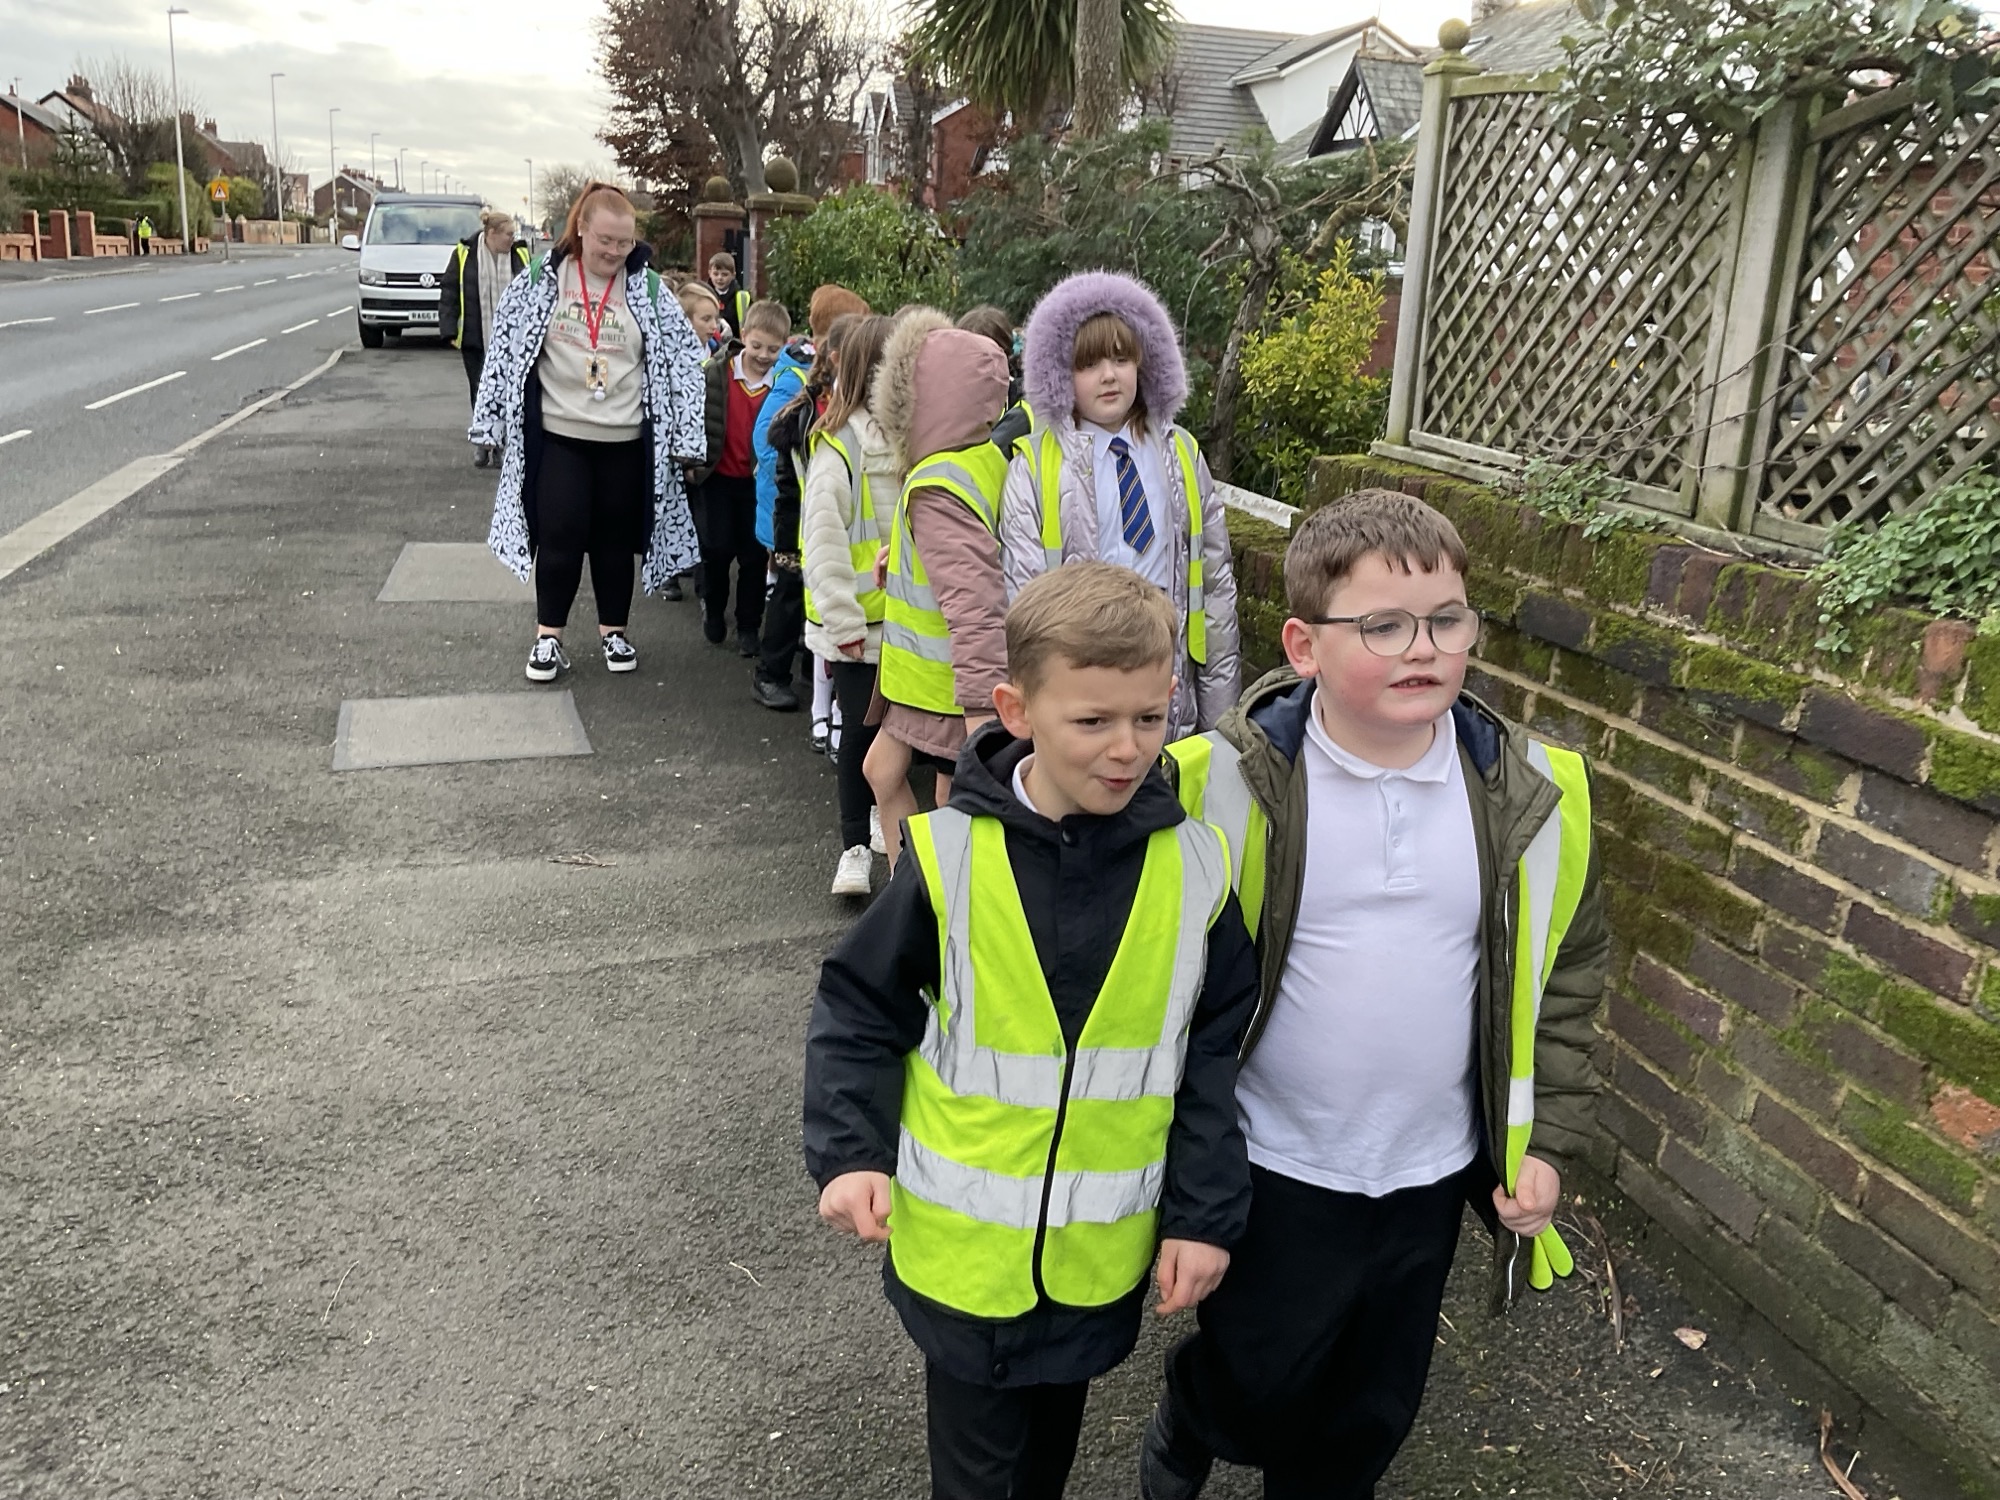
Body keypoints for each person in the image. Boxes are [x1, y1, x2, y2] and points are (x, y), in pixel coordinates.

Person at [1141, 490, 1608, 1500]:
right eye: (1383, 625)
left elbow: (1565, 981)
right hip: (1274, 1159)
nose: (1423, 648)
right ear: (1303, 645)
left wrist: (1545, 1144)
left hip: (1426, 1170)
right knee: (1258, 1378)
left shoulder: (1534, 795)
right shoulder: (1214, 784)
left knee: (1370, 1405)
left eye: (1447, 620)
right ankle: (1194, 1411)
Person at [805, 561, 1261, 1500]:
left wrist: (1203, 1215)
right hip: (963, 1267)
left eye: (1149, 717)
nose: (1127, 748)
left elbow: (1212, 1057)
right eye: (1092, 722)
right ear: (1017, 710)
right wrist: (851, 1152)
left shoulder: (1197, 868)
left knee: (1043, 1467)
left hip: (1094, 1266)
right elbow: (859, 1011)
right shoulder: (949, 857)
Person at [473, 181, 706, 683]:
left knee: (615, 541)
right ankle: (548, 637)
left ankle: (614, 632)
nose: (615, 252)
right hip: (560, 435)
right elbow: (504, 347)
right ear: (581, 228)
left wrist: (688, 439)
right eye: (605, 240)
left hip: (625, 439)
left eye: (624, 242)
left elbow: (687, 360)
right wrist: (489, 421)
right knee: (560, 534)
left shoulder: (648, 289)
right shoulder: (541, 280)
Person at [1000, 271, 1241, 745]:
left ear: (1144, 362)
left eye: (1121, 358)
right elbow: (1025, 595)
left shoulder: (1181, 454)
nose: (1109, 375)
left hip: (1169, 684)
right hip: (1085, 689)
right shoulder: (1034, 467)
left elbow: (1215, 585)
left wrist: (1220, 720)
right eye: (1088, 364)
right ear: (1060, 374)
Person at [863, 310, 1011, 870]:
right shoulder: (977, 459)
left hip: (946, 686)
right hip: (935, 683)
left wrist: (982, 714)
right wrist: (901, 556)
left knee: (940, 799)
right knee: (889, 775)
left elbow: (974, 608)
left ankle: (925, 898)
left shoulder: (936, 485)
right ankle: (923, 892)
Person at [799, 313, 898, 893]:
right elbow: (823, 542)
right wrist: (843, 621)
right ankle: (853, 846)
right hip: (859, 628)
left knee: (895, 735)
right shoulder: (839, 447)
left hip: (906, 626)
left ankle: (880, 817)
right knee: (860, 734)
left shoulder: (916, 438)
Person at [755, 285, 872, 713]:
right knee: (789, 597)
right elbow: (768, 444)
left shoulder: (840, 393)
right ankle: (770, 673)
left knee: (816, 599)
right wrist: (797, 479)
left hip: (823, 516)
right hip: (795, 516)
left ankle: (810, 669)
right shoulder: (800, 394)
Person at [687, 297, 789, 655]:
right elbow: (696, 418)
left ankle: (748, 625)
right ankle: (714, 609)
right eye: (757, 345)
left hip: (759, 484)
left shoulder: (784, 384)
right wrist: (690, 461)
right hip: (717, 476)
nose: (763, 355)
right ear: (743, 335)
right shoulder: (716, 372)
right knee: (715, 550)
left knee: (754, 556)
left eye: (773, 349)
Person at [441, 209, 532, 468]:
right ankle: (483, 443)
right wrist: (448, 329)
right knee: (480, 391)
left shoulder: (519, 254)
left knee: (509, 393)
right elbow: (449, 290)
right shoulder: (464, 253)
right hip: (475, 336)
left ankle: (502, 445)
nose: (512, 239)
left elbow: (533, 291)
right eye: (508, 234)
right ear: (491, 233)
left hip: (512, 340)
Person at [709, 250, 751, 340]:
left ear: (733, 275)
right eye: (715, 274)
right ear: (709, 273)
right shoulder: (704, 295)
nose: (719, 278)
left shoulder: (742, 297)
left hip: (735, 344)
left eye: (724, 274)